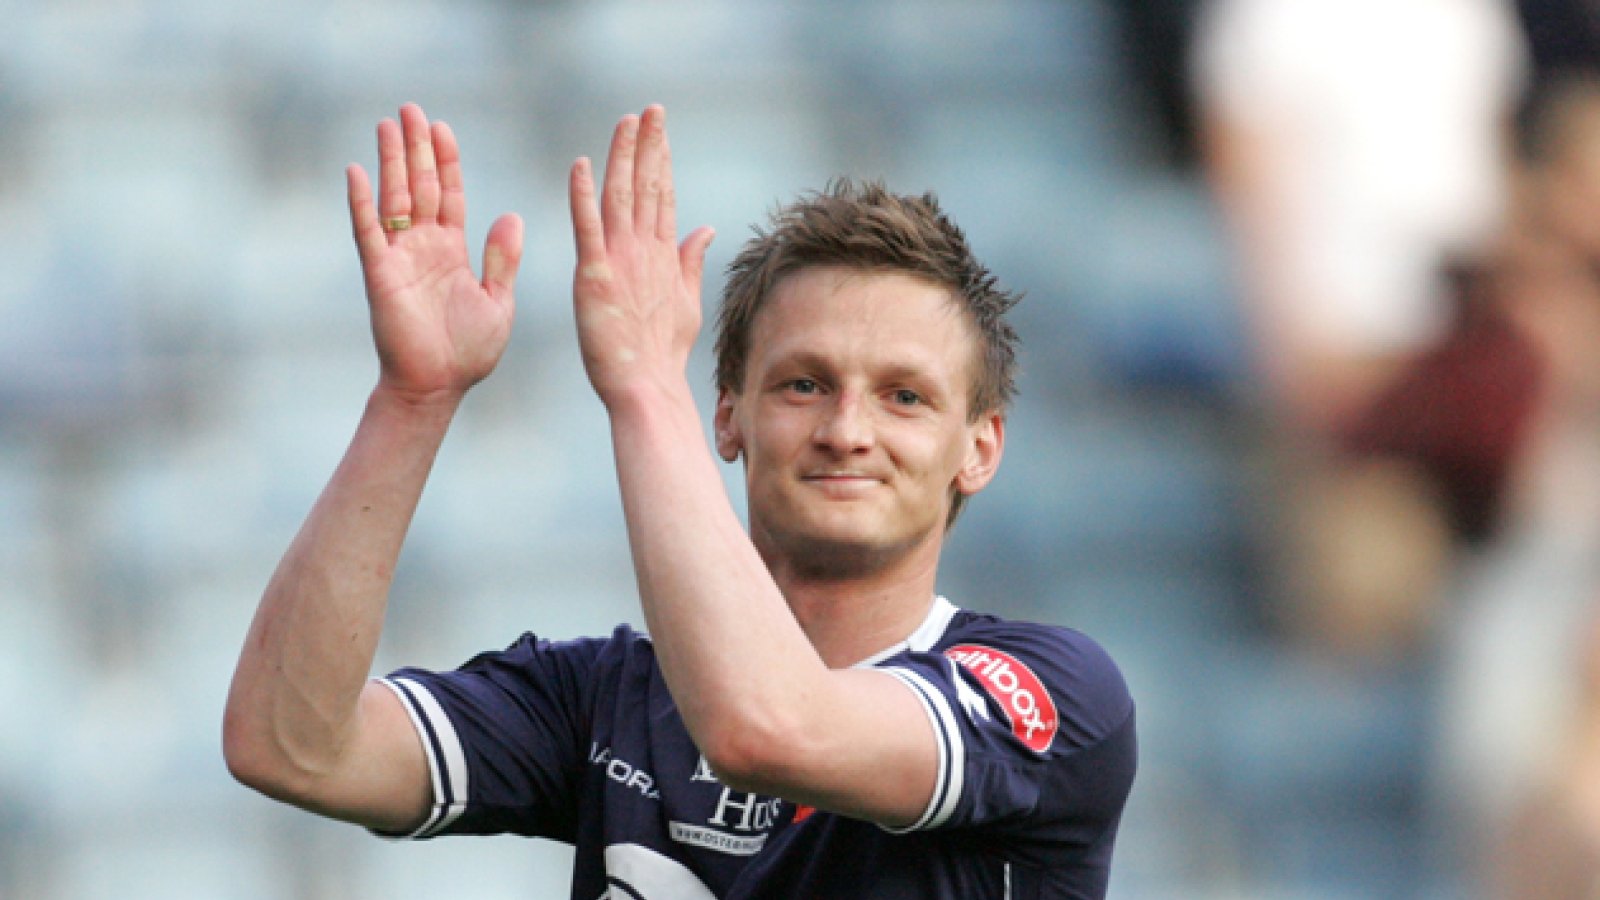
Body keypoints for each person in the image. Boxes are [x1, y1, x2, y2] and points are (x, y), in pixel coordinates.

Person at [222, 102, 1137, 899]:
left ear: (978, 449)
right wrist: (411, 401)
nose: (848, 430)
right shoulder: (605, 700)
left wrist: (645, 385)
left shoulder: (1047, 697)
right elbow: (286, 745)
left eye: (905, 396)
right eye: (805, 385)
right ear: (729, 417)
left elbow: (770, 723)